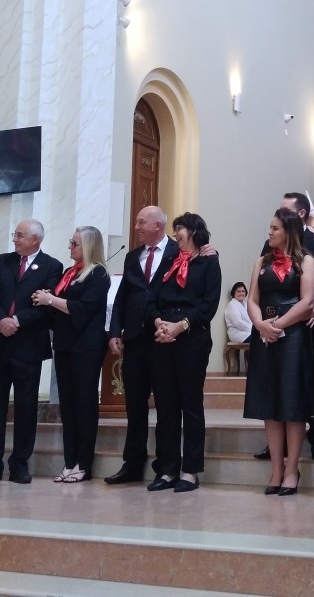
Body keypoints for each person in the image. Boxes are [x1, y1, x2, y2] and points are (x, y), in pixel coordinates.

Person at [0, 219, 62, 485]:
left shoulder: (51, 266)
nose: (15, 239)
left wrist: (17, 321)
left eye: (20, 235)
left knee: (26, 407)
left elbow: (46, 306)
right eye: (15, 234)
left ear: (36, 239)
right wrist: (0, 319)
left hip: (28, 345)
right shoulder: (2, 261)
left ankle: (19, 463)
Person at [253, 192, 314, 462]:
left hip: (303, 322)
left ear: (297, 215)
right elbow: (264, 283)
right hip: (269, 326)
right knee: (273, 385)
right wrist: (263, 322)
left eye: (283, 211)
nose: (277, 216)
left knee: (308, 382)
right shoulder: (268, 246)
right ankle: (276, 445)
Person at [243, 208, 314, 496]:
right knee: (269, 403)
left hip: (293, 335)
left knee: (291, 403)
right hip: (265, 334)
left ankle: (291, 469)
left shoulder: (305, 261)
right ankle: (275, 468)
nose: (270, 232)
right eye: (269, 227)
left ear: (288, 230)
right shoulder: (261, 261)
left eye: (274, 228)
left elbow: (307, 301)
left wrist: (280, 325)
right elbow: (253, 298)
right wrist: (261, 325)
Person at [145, 212, 221, 493]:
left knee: (190, 405)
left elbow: (209, 306)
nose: (175, 233)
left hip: (191, 337)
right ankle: (167, 469)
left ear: (194, 232)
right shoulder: (168, 261)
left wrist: (180, 327)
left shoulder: (209, 262)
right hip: (162, 335)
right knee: (165, 407)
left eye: (180, 229)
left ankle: (190, 470)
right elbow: (150, 298)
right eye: (175, 229)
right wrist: (158, 322)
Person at [105, 205, 178, 485]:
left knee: (166, 403)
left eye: (141, 222)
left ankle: (166, 465)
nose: (136, 226)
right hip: (135, 339)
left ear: (158, 225)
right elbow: (123, 296)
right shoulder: (133, 257)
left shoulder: (176, 253)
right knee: (134, 404)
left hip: (164, 338)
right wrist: (114, 330)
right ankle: (132, 463)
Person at [31, 226, 110, 484]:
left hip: (86, 346)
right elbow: (59, 307)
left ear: (87, 245)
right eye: (70, 241)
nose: (70, 247)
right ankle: (69, 461)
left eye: (74, 243)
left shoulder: (98, 273)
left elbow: (82, 309)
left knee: (84, 404)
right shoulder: (68, 273)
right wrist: (45, 301)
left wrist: (51, 300)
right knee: (68, 404)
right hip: (65, 344)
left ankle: (83, 463)